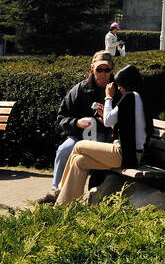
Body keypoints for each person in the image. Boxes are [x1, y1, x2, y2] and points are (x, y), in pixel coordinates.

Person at [56, 64, 147, 206]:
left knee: (79, 145)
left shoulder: (129, 97)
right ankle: (65, 205)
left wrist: (108, 97)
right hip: (128, 154)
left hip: (125, 154)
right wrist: (105, 115)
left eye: (120, 84)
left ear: (127, 83)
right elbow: (113, 121)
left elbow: (107, 120)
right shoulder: (136, 98)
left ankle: (59, 190)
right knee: (79, 161)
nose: (118, 88)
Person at [39, 52, 118, 204]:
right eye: (99, 70)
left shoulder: (117, 90)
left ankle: (79, 195)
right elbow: (61, 116)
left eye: (106, 70)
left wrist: (106, 119)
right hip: (80, 136)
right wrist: (76, 123)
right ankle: (55, 192)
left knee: (83, 156)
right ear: (92, 68)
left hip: (105, 138)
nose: (103, 74)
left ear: (112, 70)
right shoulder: (80, 89)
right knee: (64, 150)